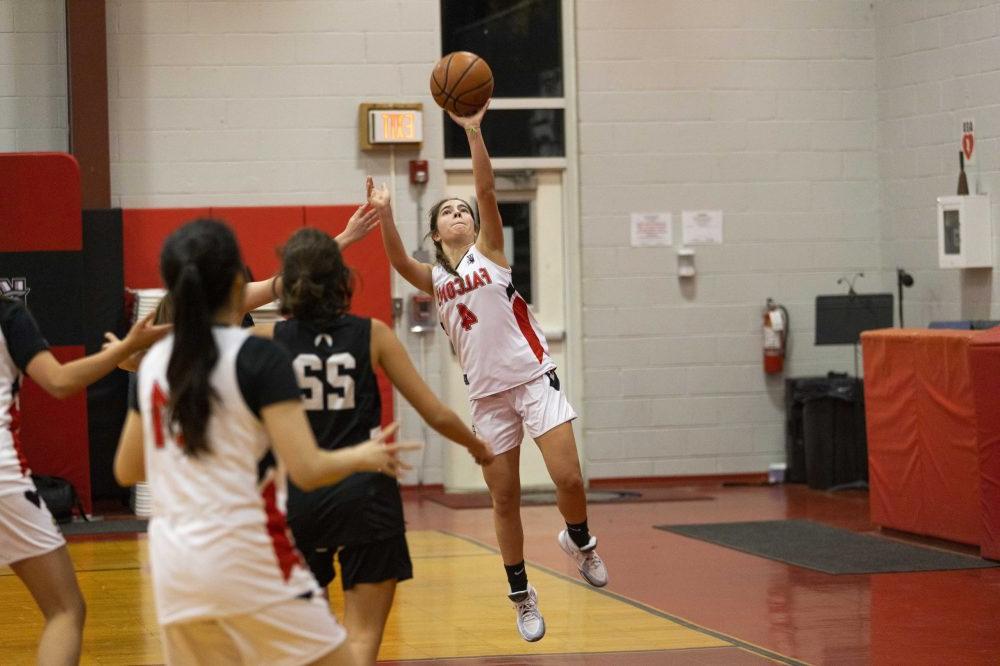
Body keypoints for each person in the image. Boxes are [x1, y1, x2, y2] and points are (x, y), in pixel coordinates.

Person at [112, 219, 418, 666]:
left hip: (174, 563)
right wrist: (364, 455)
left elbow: (127, 471)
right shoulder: (258, 356)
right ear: (238, 283)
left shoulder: (157, 361)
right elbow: (307, 468)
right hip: (245, 551)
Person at [368, 101, 608, 643]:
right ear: (434, 231)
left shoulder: (491, 253)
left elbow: (486, 190)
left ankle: (581, 540)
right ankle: (522, 594)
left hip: (532, 377)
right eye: (447, 211)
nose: (458, 214)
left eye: (463, 210)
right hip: (488, 399)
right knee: (504, 499)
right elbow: (399, 263)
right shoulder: (433, 277)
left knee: (568, 478)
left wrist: (473, 132)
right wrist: (384, 211)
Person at [252, 226, 493, 664]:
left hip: (299, 495)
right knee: (362, 640)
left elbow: (215, 319)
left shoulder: (267, 341)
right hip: (365, 493)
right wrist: (476, 446)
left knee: (311, 644)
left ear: (291, 283)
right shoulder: (374, 334)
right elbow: (434, 412)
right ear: (343, 279)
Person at [1, 295, 170, 665]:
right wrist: (127, 349)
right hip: (3, 482)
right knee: (66, 610)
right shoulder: (8, 314)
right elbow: (59, 382)